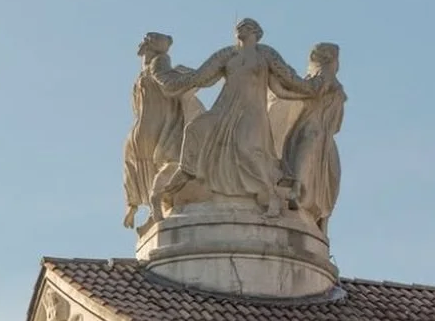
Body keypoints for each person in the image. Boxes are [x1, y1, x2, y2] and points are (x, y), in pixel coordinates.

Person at [150, 18, 321, 218]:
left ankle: (271, 198)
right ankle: (186, 174)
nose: (241, 29)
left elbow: (283, 82)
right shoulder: (227, 53)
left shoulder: (265, 54)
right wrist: (167, 79)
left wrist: (308, 92)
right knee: (195, 128)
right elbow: (200, 77)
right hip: (225, 108)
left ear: (257, 33)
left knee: (246, 149)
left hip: (251, 112)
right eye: (239, 27)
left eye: (247, 27)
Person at [122, 33, 204, 229]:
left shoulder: (140, 76)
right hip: (161, 124)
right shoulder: (160, 62)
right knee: (172, 161)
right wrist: (199, 77)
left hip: (140, 129)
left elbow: (136, 106)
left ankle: (141, 208)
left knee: (144, 167)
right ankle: (155, 201)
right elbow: (168, 85)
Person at [269, 42, 346, 234]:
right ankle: (297, 189)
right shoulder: (316, 83)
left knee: (332, 172)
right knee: (308, 146)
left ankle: (320, 218)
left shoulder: (331, 86)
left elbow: (336, 124)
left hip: (324, 136)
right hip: (310, 129)